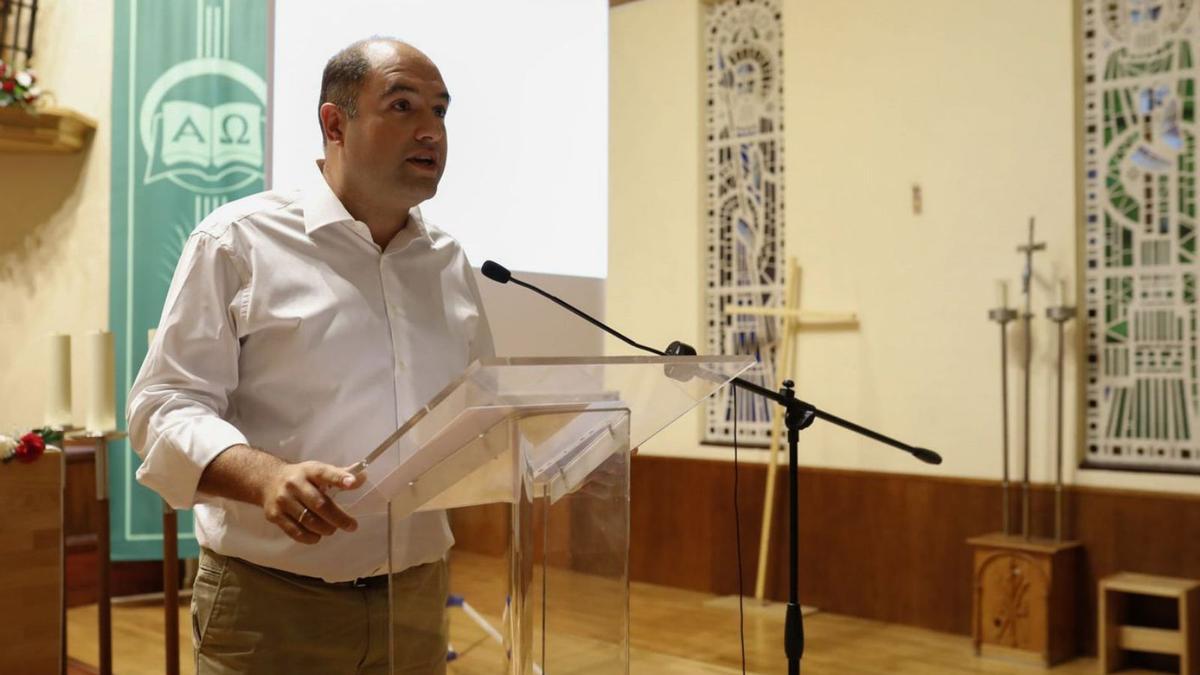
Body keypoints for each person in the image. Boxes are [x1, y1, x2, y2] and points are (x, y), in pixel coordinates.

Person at [127, 37, 493, 674]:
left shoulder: (450, 263)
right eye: (403, 106)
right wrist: (265, 477)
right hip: (271, 606)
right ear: (335, 123)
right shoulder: (239, 241)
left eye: (440, 112)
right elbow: (161, 409)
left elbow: (480, 411)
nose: (430, 131)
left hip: (416, 601)